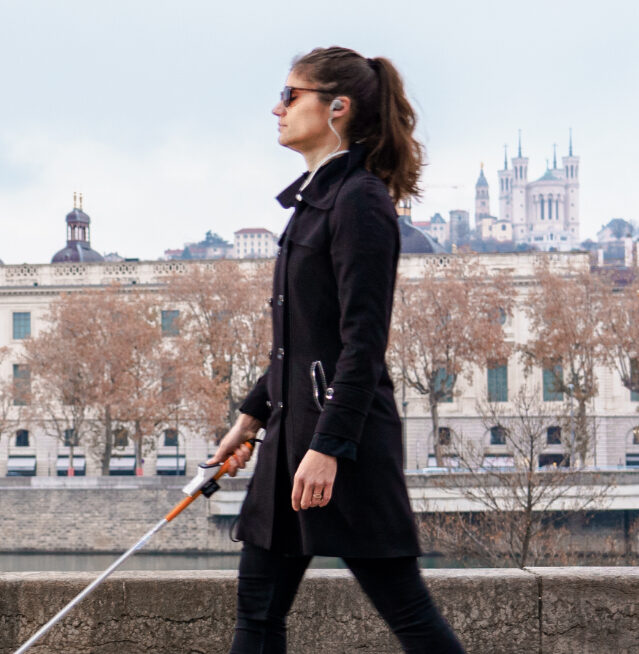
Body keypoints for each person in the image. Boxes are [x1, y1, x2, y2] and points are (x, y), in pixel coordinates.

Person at [208, 46, 467, 654]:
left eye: (292, 95)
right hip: (293, 436)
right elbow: (297, 342)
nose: (278, 107)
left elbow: (362, 344)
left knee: (408, 614)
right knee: (258, 613)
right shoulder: (316, 200)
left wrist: (328, 447)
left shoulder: (360, 202)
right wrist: (249, 419)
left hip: (340, 446)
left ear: (337, 108)